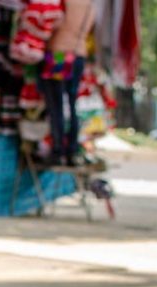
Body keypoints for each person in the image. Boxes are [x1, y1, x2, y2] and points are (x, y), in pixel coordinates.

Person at [38, 0, 95, 166]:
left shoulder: (64, 2)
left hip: (59, 54)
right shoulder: (89, 5)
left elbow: (53, 22)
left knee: (56, 104)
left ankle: (57, 150)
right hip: (78, 54)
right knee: (71, 103)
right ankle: (72, 149)